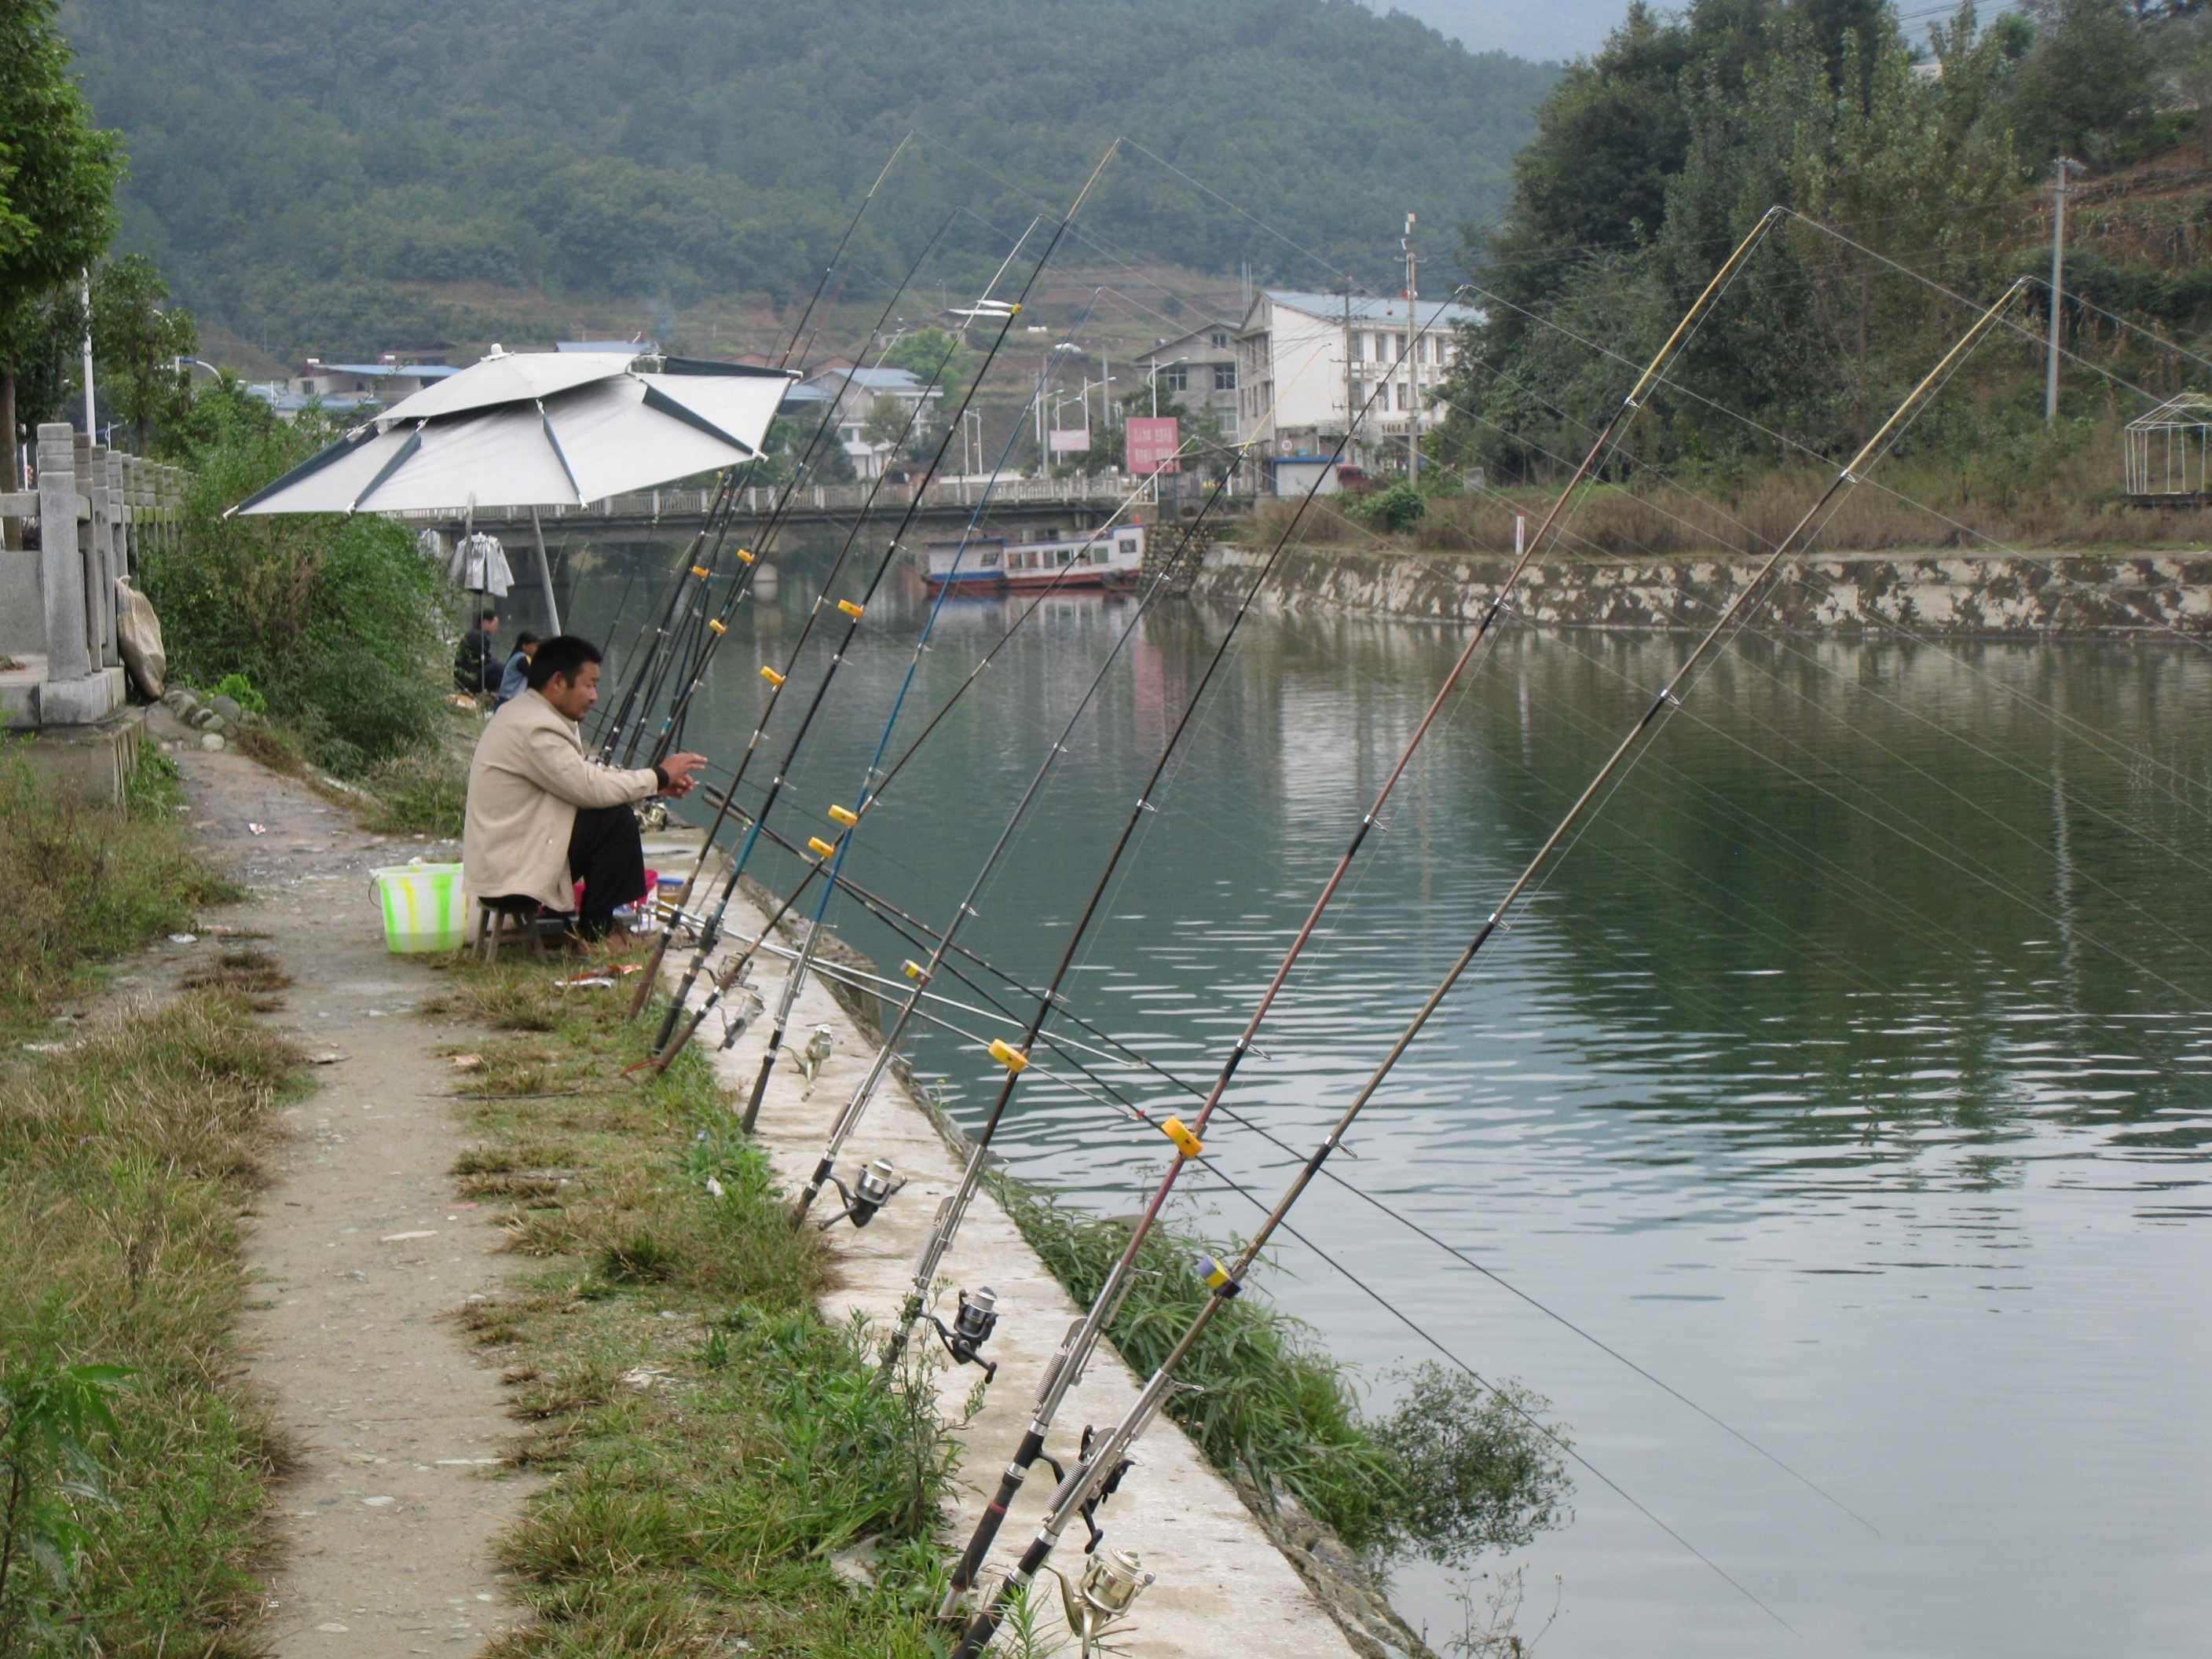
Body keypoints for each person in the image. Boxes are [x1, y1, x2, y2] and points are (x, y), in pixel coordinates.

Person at [462, 635, 707, 941]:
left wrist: (656, 786)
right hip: (510, 876)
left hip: (509, 860)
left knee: (606, 814)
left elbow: (583, 777)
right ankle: (597, 934)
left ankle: (583, 922)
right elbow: (591, 788)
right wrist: (658, 776)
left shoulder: (526, 714)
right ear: (557, 682)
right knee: (615, 822)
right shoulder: (536, 728)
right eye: (589, 685)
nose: (595, 696)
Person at [454, 611, 501, 695]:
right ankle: (495, 695)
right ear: (486, 623)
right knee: (499, 668)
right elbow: (482, 660)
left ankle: (491, 693)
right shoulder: (477, 637)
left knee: (496, 665)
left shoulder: (475, 633)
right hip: (468, 677)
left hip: (466, 674)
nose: (496, 628)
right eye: (495, 625)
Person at [494, 631, 540, 707]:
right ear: (524, 646)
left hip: (506, 697)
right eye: (534, 646)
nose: (536, 649)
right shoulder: (522, 659)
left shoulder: (517, 656)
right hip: (509, 699)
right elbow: (535, 678)